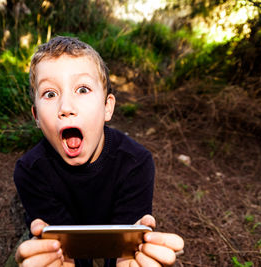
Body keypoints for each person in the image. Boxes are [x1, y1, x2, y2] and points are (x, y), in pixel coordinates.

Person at [13, 36, 184, 267]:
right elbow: (63, 247)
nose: (65, 107)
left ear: (107, 107)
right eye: (50, 94)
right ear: (37, 118)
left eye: (82, 89)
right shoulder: (29, 171)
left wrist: (127, 258)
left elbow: (124, 247)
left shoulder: (136, 163)